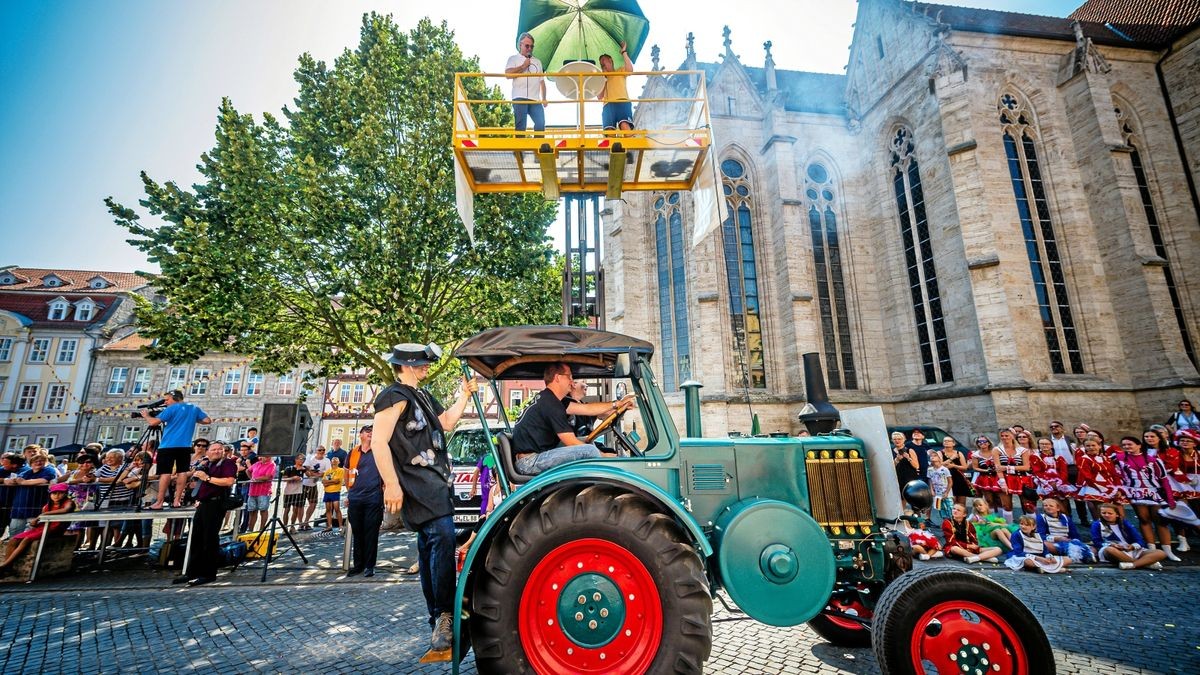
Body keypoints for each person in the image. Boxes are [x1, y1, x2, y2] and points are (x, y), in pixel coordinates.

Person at [370, 342, 477, 653]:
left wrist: (464, 396)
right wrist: (391, 483)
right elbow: (379, 441)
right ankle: (444, 614)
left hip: (436, 481)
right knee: (442, 538)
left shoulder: (423, 396)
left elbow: (446, 423)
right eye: (422, 363)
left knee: (431, 544)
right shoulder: (394, 395)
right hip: (417, 483)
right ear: (406, 365)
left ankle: (439, 619)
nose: (427, 367)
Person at [511, 362, 633, 476]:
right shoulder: (551, 404)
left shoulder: (552, 399)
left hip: (535, 456)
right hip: (529, 462)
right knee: (589, 451)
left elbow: (587, 409)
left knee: (587, 442)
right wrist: (604, 456)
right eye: (569, 377)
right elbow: (571, 441)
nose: (572, 381)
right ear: (558, 377)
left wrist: (617, 404)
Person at [174, 440, 237, 586]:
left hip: (215, 504)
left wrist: (207, 478)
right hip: (203, 504)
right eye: (213, 449)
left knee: (209, 539)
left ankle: (208, 573)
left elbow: (228, 482)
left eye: (219, 449)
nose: (217, 451)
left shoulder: (227, 464)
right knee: (196, 538)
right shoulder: (207, 464)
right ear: (207, 452)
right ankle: (192, 572)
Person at [142, 390, 211, 510]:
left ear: (174, 398)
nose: (166, 402)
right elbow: (207, 420)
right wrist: (192, 419)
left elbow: (153, 422)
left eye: (167, 400)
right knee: (182, 472)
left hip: (168, 445)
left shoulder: (172, 408)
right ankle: (177, 501)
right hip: (185, 446)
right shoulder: (193, 408)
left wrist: (146, 415)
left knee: (165, 473)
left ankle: (159, 502)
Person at [1115, 435, 1180, 561]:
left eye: (1130, 444)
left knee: (1160, 521)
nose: (1127, 447)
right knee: (1144, 520)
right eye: (1124, 445)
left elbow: (1164, 480)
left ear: (1139, 445)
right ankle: (1152, 550)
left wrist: (1170, 498)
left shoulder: (1153, 460)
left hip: (1153, 491)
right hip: (1135, 492)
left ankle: (1168, 551)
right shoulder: (1118, 458)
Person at [0, 482, 76, 577]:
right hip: (42, 528)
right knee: (13, 540)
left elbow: (65, 510)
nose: (57, 496)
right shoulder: (47, 506)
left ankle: (5, 565)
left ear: (65, 494)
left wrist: (43, 515)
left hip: (55, 529)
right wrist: (35, 522)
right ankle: (8, 567)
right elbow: (40, 523)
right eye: (54, 493)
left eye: (60, 493)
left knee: (27, 539)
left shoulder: (68, 502)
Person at [346, 424, 382, 577]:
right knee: (358, 533)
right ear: (360, 435)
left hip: (373, 498)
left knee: (371, 533)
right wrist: (349, 493)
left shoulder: (380, 452)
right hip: (355, 498)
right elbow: (347, 473)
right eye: (367, 431)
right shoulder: (353, 452)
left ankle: (369, 566)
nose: (370, 433)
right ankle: (358, 565)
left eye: (373, 432)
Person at [1091, 502, 1167, 570]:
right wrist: (1112, 545)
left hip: (1130, 549)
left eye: (1110, 513)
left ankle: (1133, 565)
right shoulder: (1097, 524)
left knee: (1160, 553)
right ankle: (1144, 563)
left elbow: (1139, 540)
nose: (1106, 515)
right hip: (1113, 550)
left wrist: (1132, 546)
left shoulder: (1124, 523)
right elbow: (1097, 542)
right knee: (1110, 550)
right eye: (1104, 513)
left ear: (1117, 514)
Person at [5, 451, 57, 538]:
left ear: (45, 462)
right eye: (35, 461)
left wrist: (24, 482)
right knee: (14, 533)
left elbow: (44, 480)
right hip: (19, 508)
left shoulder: (49, 470)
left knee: (31, 534)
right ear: (31, 463)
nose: (38, 463)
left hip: (35, 508)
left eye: (41, 461)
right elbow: (16, 479)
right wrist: (12, 480)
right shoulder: (27, 472)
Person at [505, 32, 546, 134]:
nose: (529, 48)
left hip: (535, 99)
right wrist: (523, 66)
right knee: (521, 126)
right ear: (520, 45)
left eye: (531, 46)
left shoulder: (537, 62)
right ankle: (519, 150)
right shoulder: (513, 59)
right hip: (519, 96)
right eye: (527, 46)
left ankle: (537, 147)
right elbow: (507, 75)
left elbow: (542, 82)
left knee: (540, 123)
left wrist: (544, 98)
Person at [1035, 497, 1092, 562]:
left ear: (1058, 508)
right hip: (1051, 542)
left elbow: (1074, 534)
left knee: (1091, 548)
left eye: (1051, 506)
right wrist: (1058, 538)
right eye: (1045, 506)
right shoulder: (1041, 518)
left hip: (1067, 541)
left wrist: (1075, 541)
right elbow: (1040, 535)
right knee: (1043, 544)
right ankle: (1074, 554)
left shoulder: (1066, 518)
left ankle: (1079, 553)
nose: (1048, 507)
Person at [598, 41, 634, 131]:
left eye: (603, 61)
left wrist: (623, 52)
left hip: (622, 101)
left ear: (610, 61)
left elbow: (630, 70)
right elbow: (599, 96)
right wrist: (604, 79)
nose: (602, 64)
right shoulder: (602, 79)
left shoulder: (620, 71)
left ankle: (630, 144)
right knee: (609, 130)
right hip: (608, 105)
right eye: (601, 63)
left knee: (624, 125)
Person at [970, 435, 1003, 511]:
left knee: (998, 498)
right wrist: (986, 471)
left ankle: (1001, 518)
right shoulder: (975, 455)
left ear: (988, 443)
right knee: (989, 499)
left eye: (984, 441)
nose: (982, 443)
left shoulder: (995, 452)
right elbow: (975, 467)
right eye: (979, 442)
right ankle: (991, 518)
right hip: (984, 478)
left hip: (996, 477)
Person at [301, 447, 331, 530]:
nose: (321, 451)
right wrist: (314, 474)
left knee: (313, 504)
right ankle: (300, 523)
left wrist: (316, 475)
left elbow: (328, 472)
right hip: (303, 484)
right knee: (300, 505)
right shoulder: (310, 457)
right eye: (319, 450)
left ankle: (306, 522)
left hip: (313, 485)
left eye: (323, 450)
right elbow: (306, 469)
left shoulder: (327, 460)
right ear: (316, 451)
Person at [246, 453, 277, 532]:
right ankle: (250, 530)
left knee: (263, 510)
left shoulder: (272, 464)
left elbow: (267, 476)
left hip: (264, 491)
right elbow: (248, 470)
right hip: (253, 491)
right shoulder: (257, 463)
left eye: (268, 456)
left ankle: (262, 529)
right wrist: (252, 478)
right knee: (252, 511)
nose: (267, 457)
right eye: (265, 455)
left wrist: (255, 479)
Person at [938, 436, 973, 506]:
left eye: (948, 441)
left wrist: (953, 466)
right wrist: (951, 458)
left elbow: (965, 467)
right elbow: (939, 465)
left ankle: (962, 516)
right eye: (945, 441)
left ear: (953, 444)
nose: (946, 442)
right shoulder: (939, 453)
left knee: (962, 503)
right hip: (947, 480)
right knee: (951, 502)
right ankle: (952, 516)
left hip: (959, 479)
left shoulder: (958, 453)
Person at [0, 452, 27, 539]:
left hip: (16, 505)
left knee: (14, 531)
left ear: (14, 465)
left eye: (6, 462)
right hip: (2, 503)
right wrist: (3, 480)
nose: (3, 463)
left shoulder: (25, 470)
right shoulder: (3, 470)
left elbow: (16, 480)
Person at [280, 454, 306, 531]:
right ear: (296, 459)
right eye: (300, 459)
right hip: (289, 492)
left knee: (295, 510)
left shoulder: (303, 469)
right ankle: (285, 527)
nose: (302, 460)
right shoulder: (289, 468)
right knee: (287, 510)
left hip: (298, 492)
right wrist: (293, 478)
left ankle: (292, 526)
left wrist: (306, 469)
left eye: (303, 459)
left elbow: (310, 475)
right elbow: (284, 479)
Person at [927, 451, 952, 526]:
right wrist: (931, 490)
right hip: (937, 493)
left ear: (939, 458)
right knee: (940, 508)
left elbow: (950, 482)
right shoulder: (930, 469)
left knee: (949, 507)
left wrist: (947, 492)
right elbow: (930, 480)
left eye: (935, 456)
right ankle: (946, 524)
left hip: (946, 492)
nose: (933, 457)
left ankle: (953, 523)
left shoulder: (944, 469)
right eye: (931, 456)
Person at [321, 457, 345, 532]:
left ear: (338, 462)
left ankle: (341, 526)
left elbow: (337, 481)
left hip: (335, 491)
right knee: (328, 509)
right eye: (333, 461)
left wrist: (329, 482)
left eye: (336, 461)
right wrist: (332, 481)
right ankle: (329, 526)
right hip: (327, 492)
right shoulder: (328, 471)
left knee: (337, 509)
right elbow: (324, 482)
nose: (334, 462)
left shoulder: (340, 470)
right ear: (331, 462)